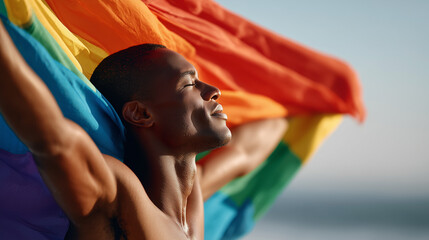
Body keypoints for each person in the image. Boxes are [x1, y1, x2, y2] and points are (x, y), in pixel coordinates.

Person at [0, 19, 286, 239]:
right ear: (141, 113)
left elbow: (253, 146)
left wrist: (312, 95)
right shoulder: (119, 198)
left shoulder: (192, 207)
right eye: (189, 84)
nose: (213, 91)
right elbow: (51, 138)